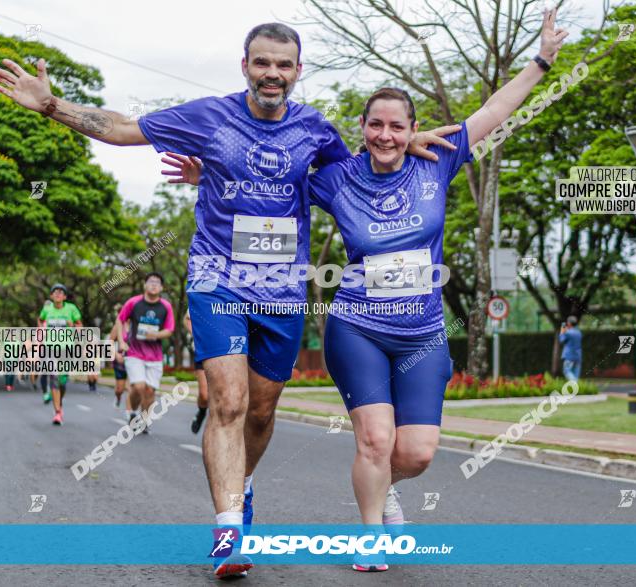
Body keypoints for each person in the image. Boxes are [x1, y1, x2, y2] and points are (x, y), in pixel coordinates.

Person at [0, 21, 452, 580]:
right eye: (263, 63)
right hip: (217, 279)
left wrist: (410, 144)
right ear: (245, 66)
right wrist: (51, 106)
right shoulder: (209, 116)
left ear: (297, 71)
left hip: (283, 288)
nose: (273, 74)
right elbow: (120, 128)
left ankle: (244, 485)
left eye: (284, 65)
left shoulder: (315, 129)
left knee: (260, 411)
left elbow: (359, 175)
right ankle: (229, 525)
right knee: (229, 402)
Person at [165, 9, 568, 573]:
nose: (385, 135)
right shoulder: (336, 178)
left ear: (411, 130)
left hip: (423, 332)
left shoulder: (439, 163)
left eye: (397, 126)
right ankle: (371, 533)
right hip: (358, 325)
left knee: (415, 453)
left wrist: (543, 61)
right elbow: (267, 176)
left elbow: (496, 110)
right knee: (375, 442)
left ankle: (388, 488)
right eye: (375, 125)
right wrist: (210, 175)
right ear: (361, 128)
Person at [114, 273, 175, 434]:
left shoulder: (166, 306)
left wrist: (155, 335)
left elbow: (169, 330)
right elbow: (120, 320)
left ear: (161, 288)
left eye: (157, 282)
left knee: (150, 391)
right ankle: (132, 412)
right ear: (145, 285)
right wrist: (121, 341)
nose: (154, 285)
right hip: (134, 352)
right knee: (138, 386)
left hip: (155, 356)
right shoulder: (133, 302)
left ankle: (144, 418)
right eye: (151, 282)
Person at [38, 284, 83, 425]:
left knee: (62, 381)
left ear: (64, 296)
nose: (57, 294)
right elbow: (40, 319)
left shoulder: (71, 309)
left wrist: (73, 327)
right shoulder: (46, 309)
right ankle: (57, 412)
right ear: (51, 296)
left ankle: (60, 403)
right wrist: (41, 331)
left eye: (61, 292)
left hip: (66, 349)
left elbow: (80, 326)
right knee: (54, 377)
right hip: (50, 347)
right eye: (55, 292)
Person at [183, 309, 209, 434]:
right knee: (204, 396)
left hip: (228, 352)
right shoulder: (204, 291)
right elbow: (187, 318)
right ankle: (202, 412)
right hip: (203, 350)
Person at [108, 307, 129, 408]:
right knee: (120, 389)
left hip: (135, 359)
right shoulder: (118, 326)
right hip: (120, 360)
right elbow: (110, 342)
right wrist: (116, 355)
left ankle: (131, 412)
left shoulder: (137, 325)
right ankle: (118, 396)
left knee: (131, 387)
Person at [559, 315, 582, 382]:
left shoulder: (568, 333)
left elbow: (561, 340)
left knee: (567, 371)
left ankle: (574, 382)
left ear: (569, 323)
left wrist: (562, 329)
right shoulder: (579, 332)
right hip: (578, 356)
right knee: (576, 374)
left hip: (569, 357)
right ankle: (575, 389)